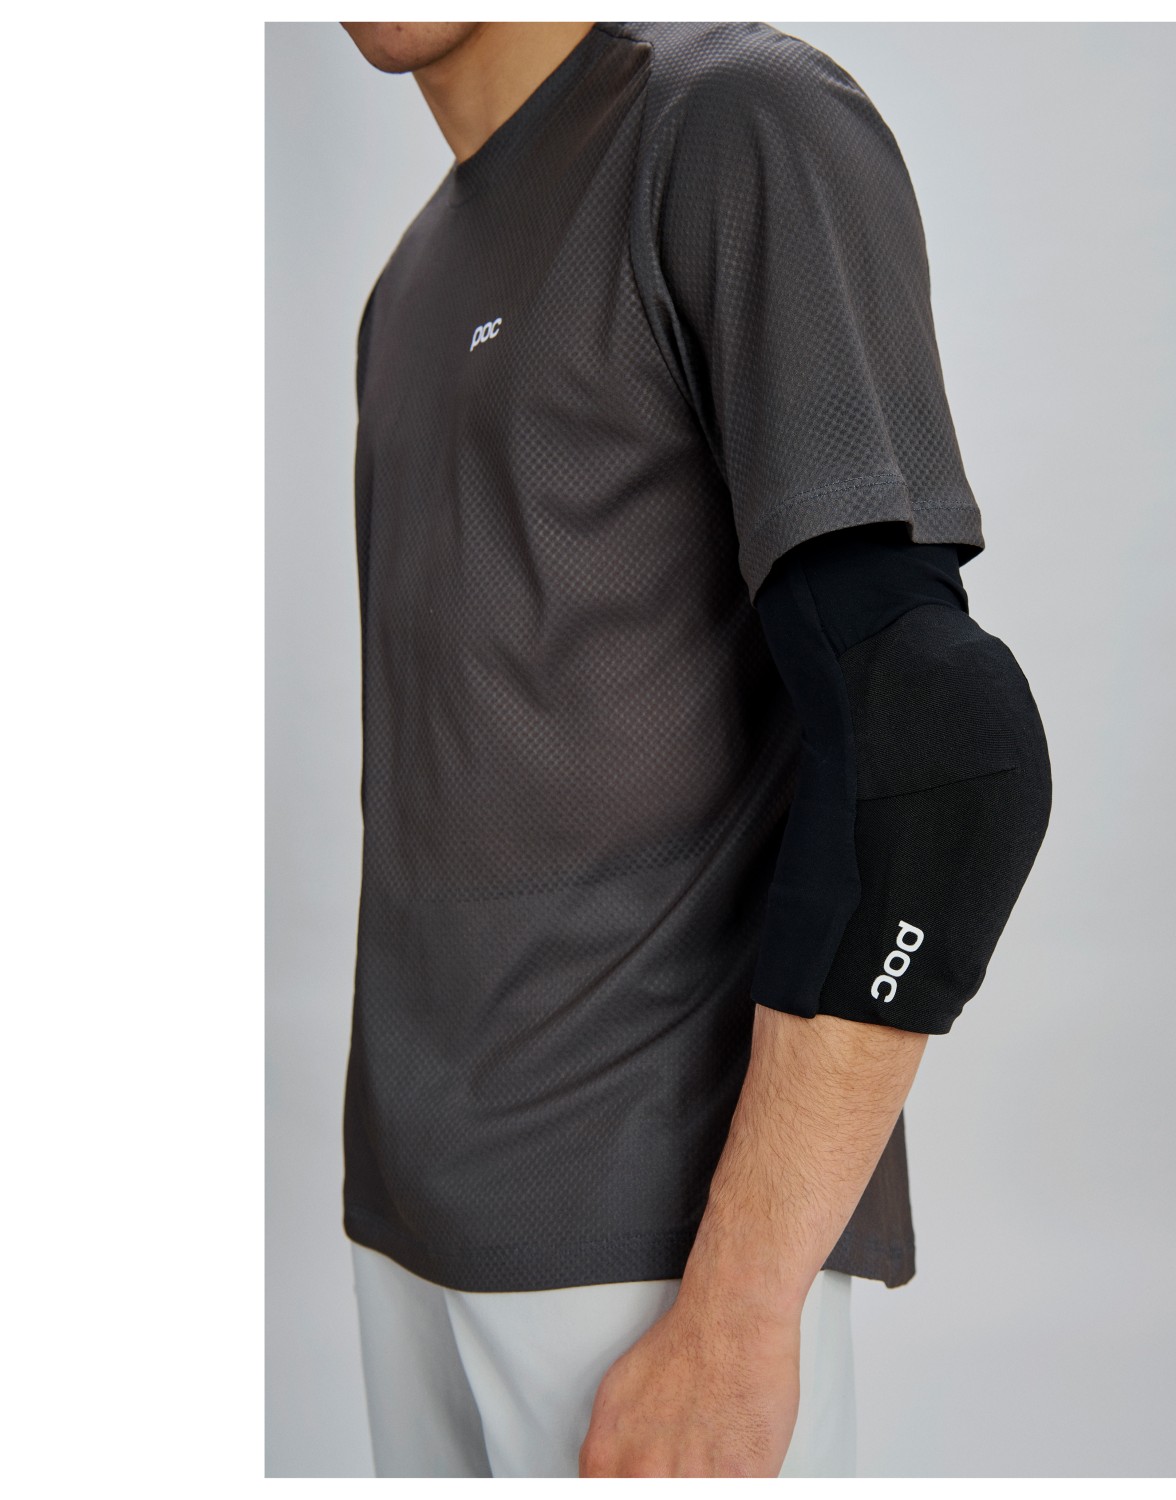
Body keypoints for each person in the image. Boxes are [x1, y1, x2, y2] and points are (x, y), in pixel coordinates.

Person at [336, 19, 1052, 1479]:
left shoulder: (729, 128)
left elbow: (936, 751)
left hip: (649, 1248)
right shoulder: (404, 286)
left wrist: (737, 1313)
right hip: (405, 1228)